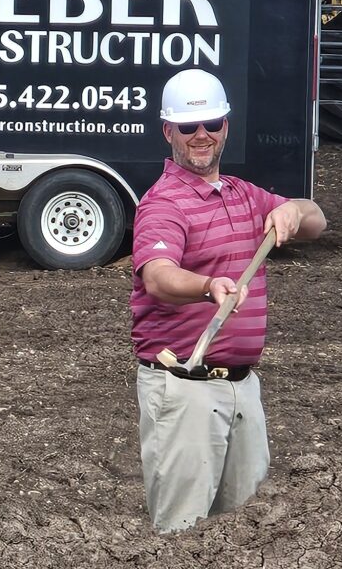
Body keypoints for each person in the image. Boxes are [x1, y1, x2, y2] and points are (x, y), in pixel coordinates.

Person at [131, 68, 325, 533]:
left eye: (211, 124)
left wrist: (293, 209)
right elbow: (157, 277)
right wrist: (207, 286)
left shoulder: (242, 195)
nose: (201, 135)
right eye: (188, 127)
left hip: (242, 387)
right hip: (185, 388)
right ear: (168, 132)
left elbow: (317, 220)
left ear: (226, 128)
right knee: (181, 530)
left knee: (245, 530)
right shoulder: (162, 204)